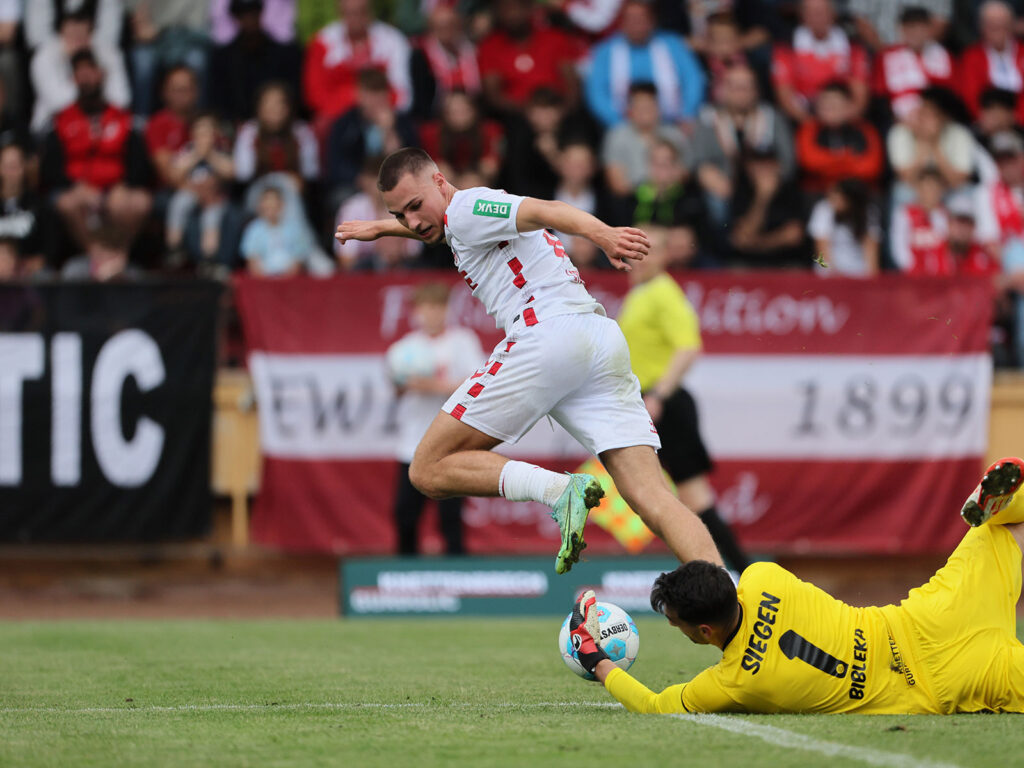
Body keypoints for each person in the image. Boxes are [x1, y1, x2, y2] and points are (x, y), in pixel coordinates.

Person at [335, 147, 724, 574]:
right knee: (654, 499)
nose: (411, 221)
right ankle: (729, 600)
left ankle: (559, 490)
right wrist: (381, 227)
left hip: (548, 335)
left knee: (427, 468)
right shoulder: (454, 220)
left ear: (440, 182)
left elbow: (544, 209)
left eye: (414, 206)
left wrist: (604, 235)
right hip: (598, 340)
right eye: (400, 214)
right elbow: (435, 228)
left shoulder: (467, 207)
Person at [568, 456, 1024, 715]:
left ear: (704, 631)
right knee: (1000, 531)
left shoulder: (736, 682)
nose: (676, 629)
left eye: (677, 623)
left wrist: (598, 662)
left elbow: (651, 706)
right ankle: (1001, 506)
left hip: (943, 686)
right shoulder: (764, 577)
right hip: (924, 618)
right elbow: (711, 572)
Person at [617, 226, 750, 573]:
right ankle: (713, 574)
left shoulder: (663, 292)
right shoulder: (642, 292)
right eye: (637, 250)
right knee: (651, 496)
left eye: (649, 250)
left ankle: (738, 575)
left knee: (693, 500)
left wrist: (658, 394)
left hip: (665, 406)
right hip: (647, 403)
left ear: (663, 255)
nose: (640, 258)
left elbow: (689, 348)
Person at [388, 282, 484, 556]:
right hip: (412, 444)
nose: (431, 314)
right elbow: (396, 388)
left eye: (437, 307)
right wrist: (401, 382)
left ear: (446, 310)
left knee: (450, 518)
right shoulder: (404, 348)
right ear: (416, 312)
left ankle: (457, 580)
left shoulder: (463, 342)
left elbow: (476, 385)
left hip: (452, 446)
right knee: (405, 515)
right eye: (425, 308)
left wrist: (431, 385)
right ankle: (406, 576)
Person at [583, 0, 706, 128]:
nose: (636, 25)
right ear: (621, 23)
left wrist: (686, 113)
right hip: (622, 126)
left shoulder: (673, 45)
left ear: (652, 21)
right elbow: (596, 93)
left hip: (673, 123)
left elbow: (693, 80)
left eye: (640, 19)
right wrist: (618, 123)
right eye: (631, 20)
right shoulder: (605, 52)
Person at [771, 0, 870, 124]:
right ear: (802, 15)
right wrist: (813, 124)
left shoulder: (853, 46)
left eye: (822, 11)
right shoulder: (786, 47)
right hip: (803, 119)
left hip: (845, 119)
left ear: (833, 13)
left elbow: (859, 100)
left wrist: (836, 119)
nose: (817, 15)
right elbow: (785, 98)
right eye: (811, 11)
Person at [796, 80, 883, 193]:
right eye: (824, 105)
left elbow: (871, 167)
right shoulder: (809, 128)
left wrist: (831, 164)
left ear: (848, 107)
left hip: (857, 192)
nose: (828, 110)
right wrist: (847, 158)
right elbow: (810, 162)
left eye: (834, 105)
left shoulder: (865, 130)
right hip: (819, 190)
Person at [871, 6, 954, 122]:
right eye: (911, 28)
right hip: (900, 122)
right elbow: (879, 96)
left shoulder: (944, 55)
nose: (916, 33)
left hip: (939, 120)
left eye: (921, 28)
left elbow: (953, 94)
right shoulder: (887, 56)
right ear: (902, 30)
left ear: (930, 29)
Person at [959, 1, 1024, 126]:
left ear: (1012, 26)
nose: (998, 31)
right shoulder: (971, 56)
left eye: (1003, 25)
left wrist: (1016, 118)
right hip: (986, 124)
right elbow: (970, 96)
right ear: (982, 28)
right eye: (992, 26)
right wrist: (991, 119)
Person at [807, 178, 880, 277]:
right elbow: (822, 251)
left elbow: (871, 253)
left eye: (839, 198)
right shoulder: (823, 209)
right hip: (828, 271)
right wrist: (835, 276)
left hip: (858, 271)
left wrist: (872, 281)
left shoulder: (869, 213)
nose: (833, 201)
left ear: (851, 200)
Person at [890, 168, 954, 276]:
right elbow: (898, 245)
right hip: (914, 276)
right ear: (918, 189)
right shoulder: (905, 214)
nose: (931, 193)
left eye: (935, 188)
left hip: (942, 277)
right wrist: (911, 267)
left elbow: (950, 250)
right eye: (927, 188)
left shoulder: (946, 215)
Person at [241, 184, 314, 276]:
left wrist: (284, 278)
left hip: (289, 280)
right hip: (263, 281)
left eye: (274, 202)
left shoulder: (295, 228)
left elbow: (299, 258)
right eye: (267, 202)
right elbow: (251, 260)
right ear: (260, 205)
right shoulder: (253, 230)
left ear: (281, 204)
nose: (271, 205)